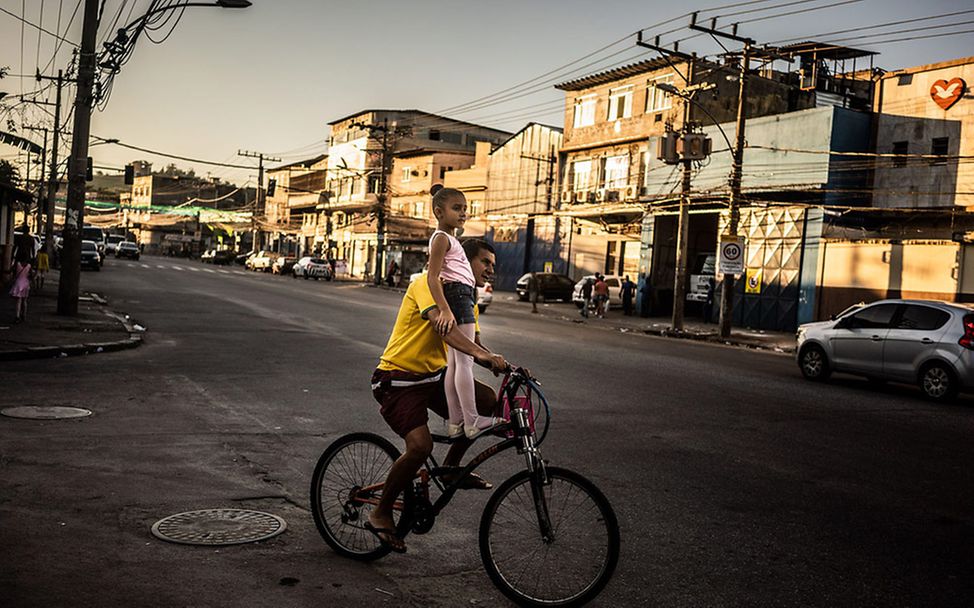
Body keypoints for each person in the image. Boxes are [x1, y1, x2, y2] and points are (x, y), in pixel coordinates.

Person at [368, 238, 507, 553]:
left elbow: (477, 345)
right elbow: (446, 330)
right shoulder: (424, 285)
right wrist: (483, 357)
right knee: (419, 447)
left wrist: (505, 363)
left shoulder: (465, 298)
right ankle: (381, 511)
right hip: (398, 378)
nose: (490, 271)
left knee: (486, 401)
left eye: (493, 266)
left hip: (433, 377)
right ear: (460, 260)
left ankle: (450, 468)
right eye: (485, 262)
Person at [427, 185, 505, 440]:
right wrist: (445, 309)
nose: (463, 214)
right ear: (439, 212)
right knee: (463, 362)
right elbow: (432, 277)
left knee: (455, 363)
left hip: (460, 295)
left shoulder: (449, 240)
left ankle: (456, 420)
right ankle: (471, 420)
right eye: (456, 208)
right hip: (458, 297)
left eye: (465, 209)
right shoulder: (441, 238)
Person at [10, 226, 35, 323]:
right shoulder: (31, 239)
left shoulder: (19, 238)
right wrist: (32, 262)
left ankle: (17, 316)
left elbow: (15, 248)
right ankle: (23, 315)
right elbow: (33, 251)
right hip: (27, 261)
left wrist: (12, 258)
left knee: (19, 300)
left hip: (20, 259)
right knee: (25, 300)